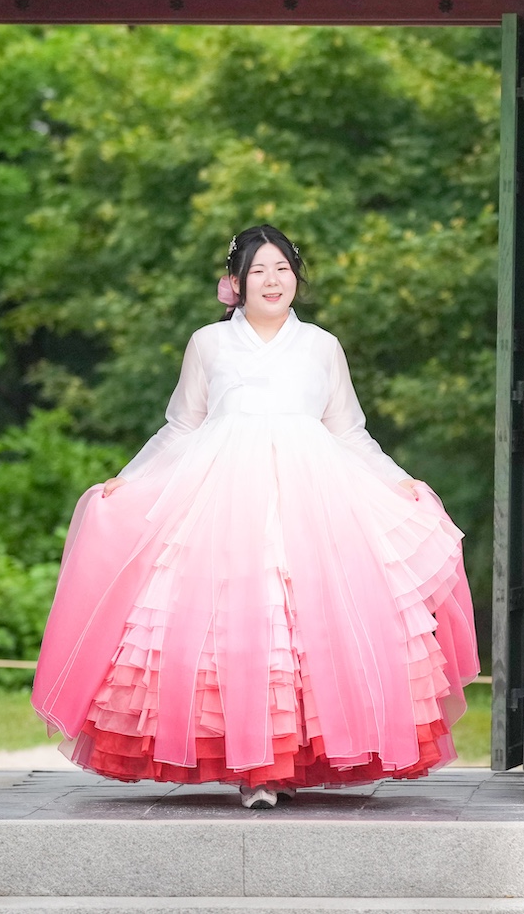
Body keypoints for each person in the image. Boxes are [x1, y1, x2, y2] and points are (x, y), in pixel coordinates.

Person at [32, 225, 477, 807]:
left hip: (314, 503)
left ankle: (287, 763)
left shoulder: (321, 346)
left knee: (306, 625)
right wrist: (132, 478)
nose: (272, 281)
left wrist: (399, 481)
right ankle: (251, 769)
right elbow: (182, 426)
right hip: (219, 500)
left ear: (297, 278)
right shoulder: (209, 344)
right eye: (259, 270)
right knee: (229, 623)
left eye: (283, 269)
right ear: (235, 282)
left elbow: (348, 431)